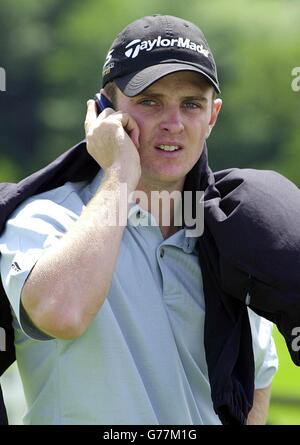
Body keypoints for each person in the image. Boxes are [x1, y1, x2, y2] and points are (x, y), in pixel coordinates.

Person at [2, 13, 298, 426]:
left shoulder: (235, 236)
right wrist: (121, 173)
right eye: (149, 101)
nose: (173, 123)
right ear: (104, 111)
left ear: (212, 117)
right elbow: (60, 313)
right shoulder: (45, 219)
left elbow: (257, 385)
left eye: (191, 104)